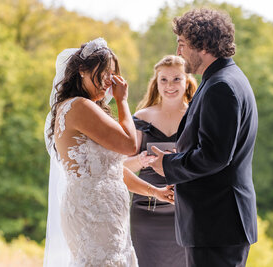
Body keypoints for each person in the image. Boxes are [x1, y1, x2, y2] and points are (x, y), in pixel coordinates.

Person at [43, 38, 174, 267]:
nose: (109, 80)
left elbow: (111, 171)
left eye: (112, 73)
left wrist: (155, 192)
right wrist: (123, 101)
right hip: (93, 213)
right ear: (82, 70)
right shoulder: (78, 107)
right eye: (103, 72)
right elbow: (130, 145)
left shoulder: (89, 108)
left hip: (109, 214)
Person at [149, 9, 258, 267]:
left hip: (216, 224)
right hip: (218, 224)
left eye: (183, 45)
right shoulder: (223, 79)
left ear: (205, 45)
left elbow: (215, 156)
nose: (179, 53)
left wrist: (167, 166)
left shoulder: (221, 86)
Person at [124, 55, 197, 267]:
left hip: (185, 209)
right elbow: (120, 168)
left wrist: (180, 161)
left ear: (187, 81)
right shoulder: (141, 117)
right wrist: (142, 160)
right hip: (146, 209)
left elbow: (209, 162)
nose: (170, 85)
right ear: (156, 83)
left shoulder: (197, 116)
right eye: (163, 79)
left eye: (176, 79)